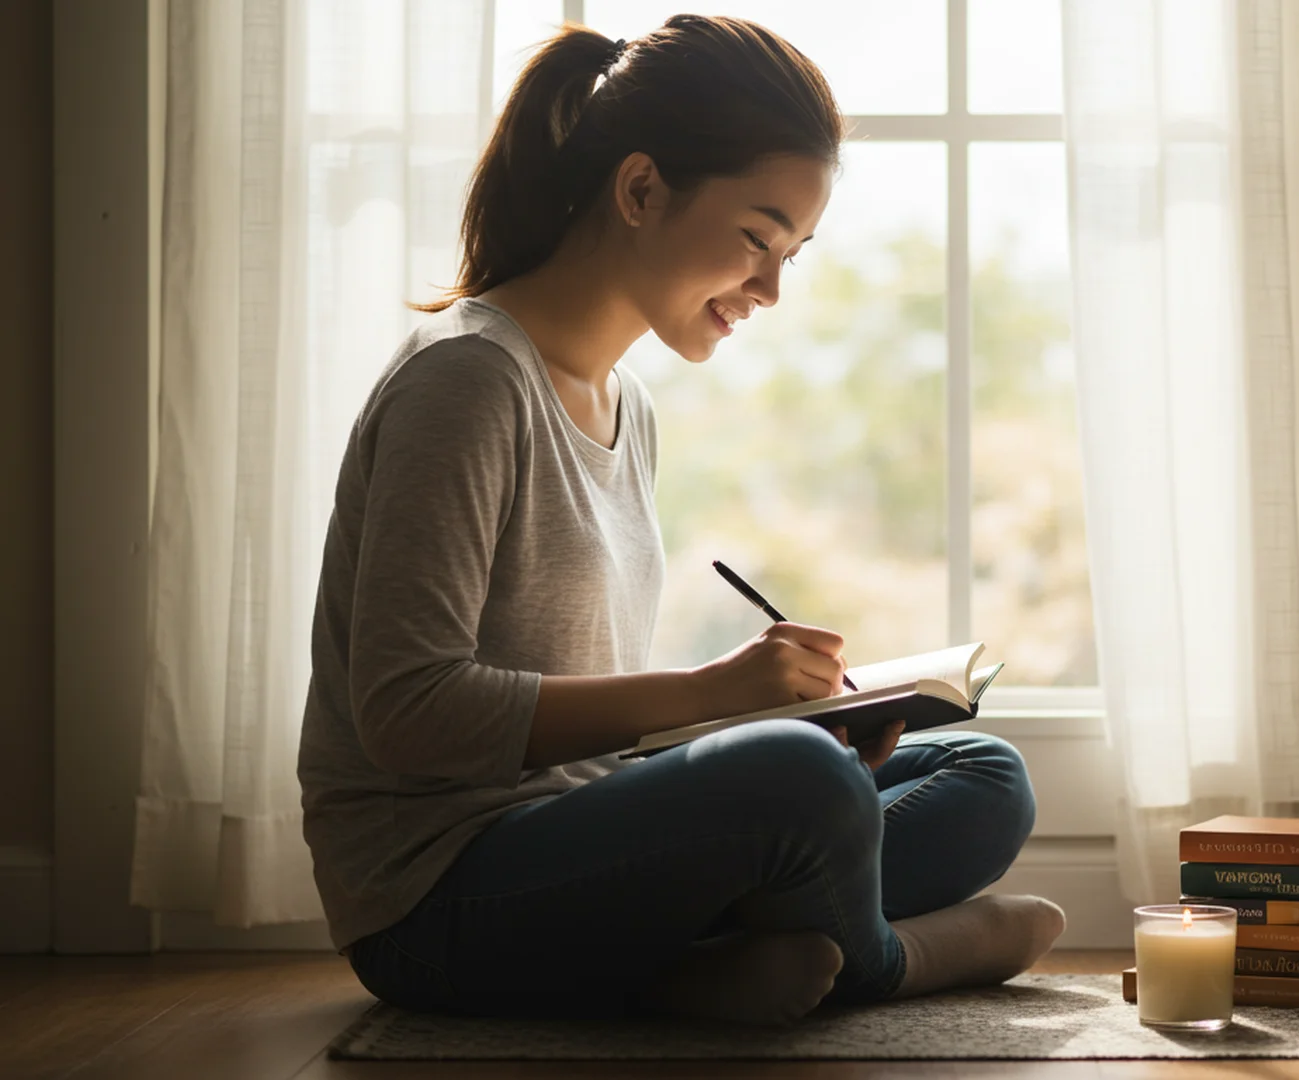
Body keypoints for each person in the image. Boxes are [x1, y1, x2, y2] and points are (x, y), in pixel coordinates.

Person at [296, 16, 1064, 1025]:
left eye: (792, 252)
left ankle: (709, 968)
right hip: (441, 901)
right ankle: (887, 962)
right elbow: (408, 714)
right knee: (796, 785)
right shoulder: (468, 383)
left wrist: (777, 714)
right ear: (641, 190)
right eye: (757, 238)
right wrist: (714, 697)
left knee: (978, 772)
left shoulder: (627, 405)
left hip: (581, 836)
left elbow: (589, 734)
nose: (773, 289)